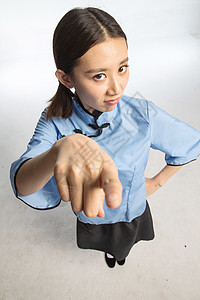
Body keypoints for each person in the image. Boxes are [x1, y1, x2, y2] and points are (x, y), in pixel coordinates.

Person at [10, 7, 200, 268]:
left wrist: (156, 183)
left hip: (130, 211)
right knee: (99, 241)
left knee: (123, 246)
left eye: (122, 68)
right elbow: (23, 185)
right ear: (67, 78)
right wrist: (59, 150)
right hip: (91, 216)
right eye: (99, 75)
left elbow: (189, 143)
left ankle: (119, 256)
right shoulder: (54, 121)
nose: (116, 88)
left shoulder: (142, 114)